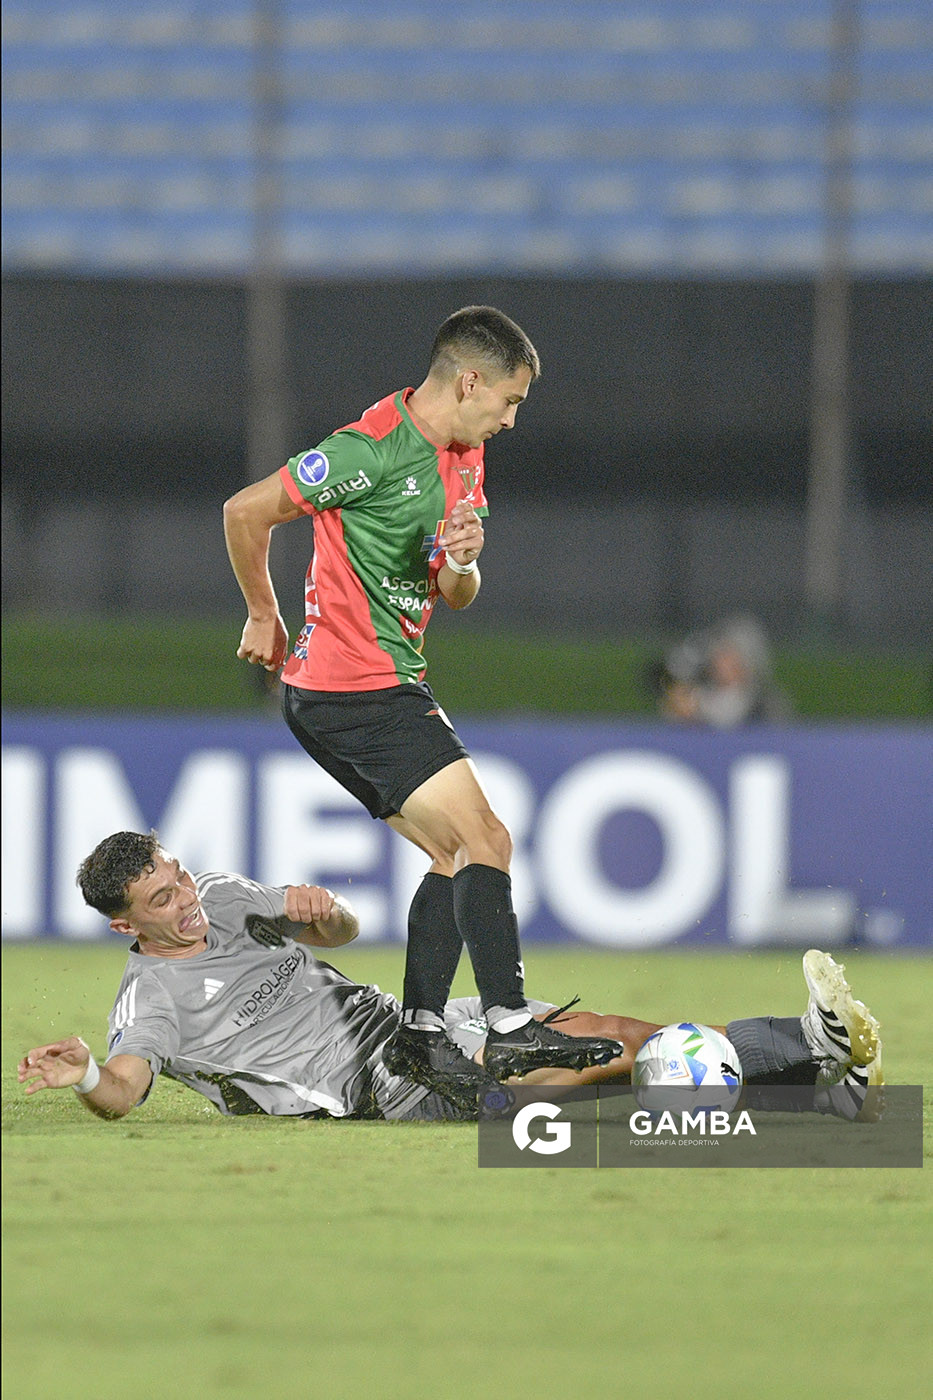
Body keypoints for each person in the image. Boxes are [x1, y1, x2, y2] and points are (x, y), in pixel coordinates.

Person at [222, 304, 624, 1110]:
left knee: (455, 857)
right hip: (349, 684)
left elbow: (453, 592)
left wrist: (466, 564)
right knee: (488, 838)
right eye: (508, 401)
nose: (511, 420)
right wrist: (266, 614)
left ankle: (419, 1034)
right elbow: (243, 511)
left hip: (384, 681)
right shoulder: (364, 452)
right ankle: (509, 1023)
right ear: (468, 380)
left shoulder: (465, 456)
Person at [18, 832, 884, 1125]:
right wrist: (87, 1073)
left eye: (176, 876)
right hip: (379, 1085)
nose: (184, 902)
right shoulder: (152, 1000)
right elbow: (127, 1089)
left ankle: (816, 1067)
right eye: (159, 900)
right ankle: (810, 1050)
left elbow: (342, 928)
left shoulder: (223, 894)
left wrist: (327, 918)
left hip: (409, 1021)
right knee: (597, 1069)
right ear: (123, 925)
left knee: (617, 1032)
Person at [650, 614, 791, 727]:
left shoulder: (764, 705)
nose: (719, 663)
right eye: (719, 655)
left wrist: (699, 715)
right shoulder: (702, 695)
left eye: (728, 656)